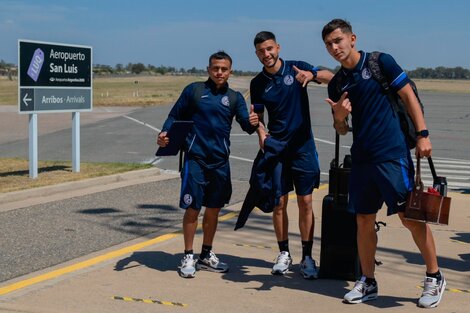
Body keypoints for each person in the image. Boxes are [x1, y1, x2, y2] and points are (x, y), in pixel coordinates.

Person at [322, 19, 445, 308]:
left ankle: (434, 276)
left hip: (392, 154)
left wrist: (423, 134)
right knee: (363, 220)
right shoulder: (338, 83)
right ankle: (367, 281)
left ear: (353, 38)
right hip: (362, 160)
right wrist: (339, 116)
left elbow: (408, 96)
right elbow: (341, 129)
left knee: (410, 218)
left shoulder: (379, 63)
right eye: (328, 44)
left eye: (338, 40)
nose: (334, 47)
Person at [157, 51, 259, 278]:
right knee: (193, 209)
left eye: (224, 69)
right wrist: (165, 132)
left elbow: (247, 125)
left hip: (220, 163)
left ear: (230, 71)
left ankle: (206, 254)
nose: (219, 72)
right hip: (196, 160)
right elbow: (174, 116)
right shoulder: (194, 91)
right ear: (208, 69)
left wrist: (254, 122)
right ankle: (188, 255)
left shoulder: (235, 98)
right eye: (215, 68)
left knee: (214, 210)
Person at [250, 31, 333, 279]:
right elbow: (258, 117)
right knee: (279, 203)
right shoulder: (257, 83)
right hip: (277, 149)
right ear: (256, 54)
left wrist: (313, 74)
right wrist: (260, 133)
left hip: (303, 148)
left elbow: (333, 77)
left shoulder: (297, 68)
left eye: (270, 49)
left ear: (278, 47)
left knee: (306, 202)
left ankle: (307, 257)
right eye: (261, 51)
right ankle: (284, 253)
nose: (266, 54)